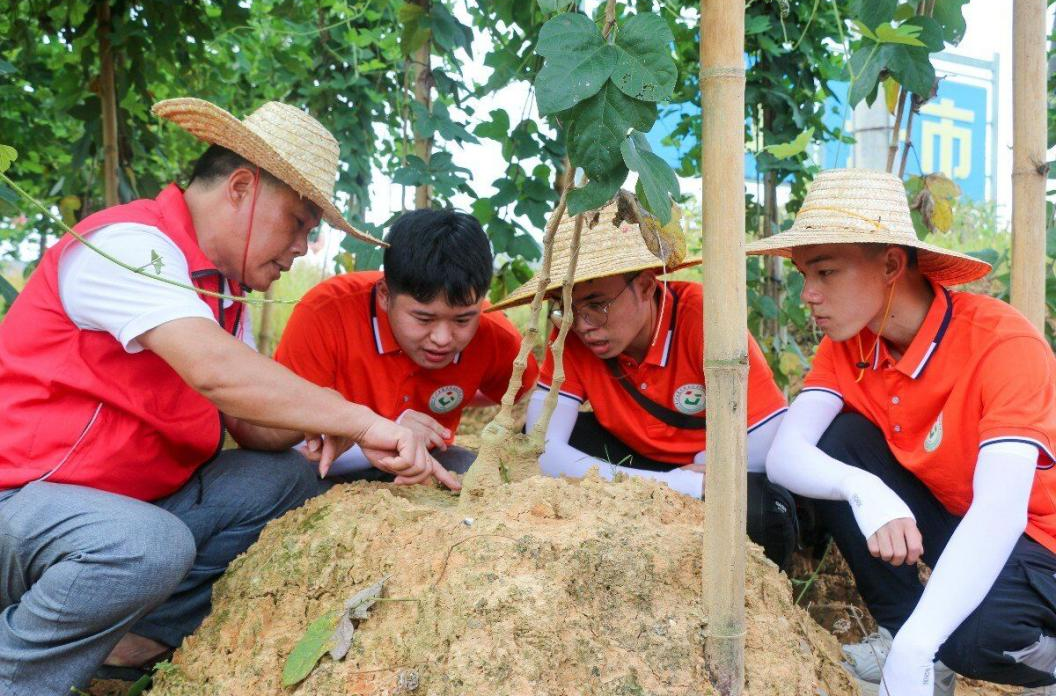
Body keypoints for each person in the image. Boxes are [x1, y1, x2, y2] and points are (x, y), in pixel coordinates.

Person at [0, 98, 457, 696]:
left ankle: (125, 645)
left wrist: (329, 428)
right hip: (24, 502)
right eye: (298, 222)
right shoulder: (129, 245)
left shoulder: (221, 291)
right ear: (241, 187)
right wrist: (359, 417)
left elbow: (254, 427)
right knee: (147, 546)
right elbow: (214, 370)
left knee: (284, 480)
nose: (303, 248)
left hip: (115, 514)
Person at [749, 168, 1056, 696]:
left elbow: (1000, 512)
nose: (808, 295)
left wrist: (924, 642)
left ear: (891, 264)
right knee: (840, 444)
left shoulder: (1001, 342)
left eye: (825, 272)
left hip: (1038, 538)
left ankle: (972, 653)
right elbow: (786, 454)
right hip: (959, 518)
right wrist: (865, 489)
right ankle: (907, 643)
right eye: (804, 274)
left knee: (970, 640)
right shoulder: (851, 343)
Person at [491, 205, 798, 568]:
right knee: (569, 441)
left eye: (597, 304)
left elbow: (770, 435)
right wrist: (670, 484)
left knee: (762, 510)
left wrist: (705, 468)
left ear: (645, 286)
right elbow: (541, 445)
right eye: (567, 307)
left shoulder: (705, 317)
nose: (584, 324)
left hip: (713, 463)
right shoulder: (569, 334)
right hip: (647, 461)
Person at [269, 208, 538, 476]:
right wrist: (390, 428)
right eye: (423, 319)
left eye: (462, 320)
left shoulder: (494, 336)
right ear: (385, 295)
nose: (442, 339)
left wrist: (460, 394)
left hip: (426, 461)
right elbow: (285, 431)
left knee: (474, 474)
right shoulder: (326, 314)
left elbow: (522, 391)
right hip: (327, 464)